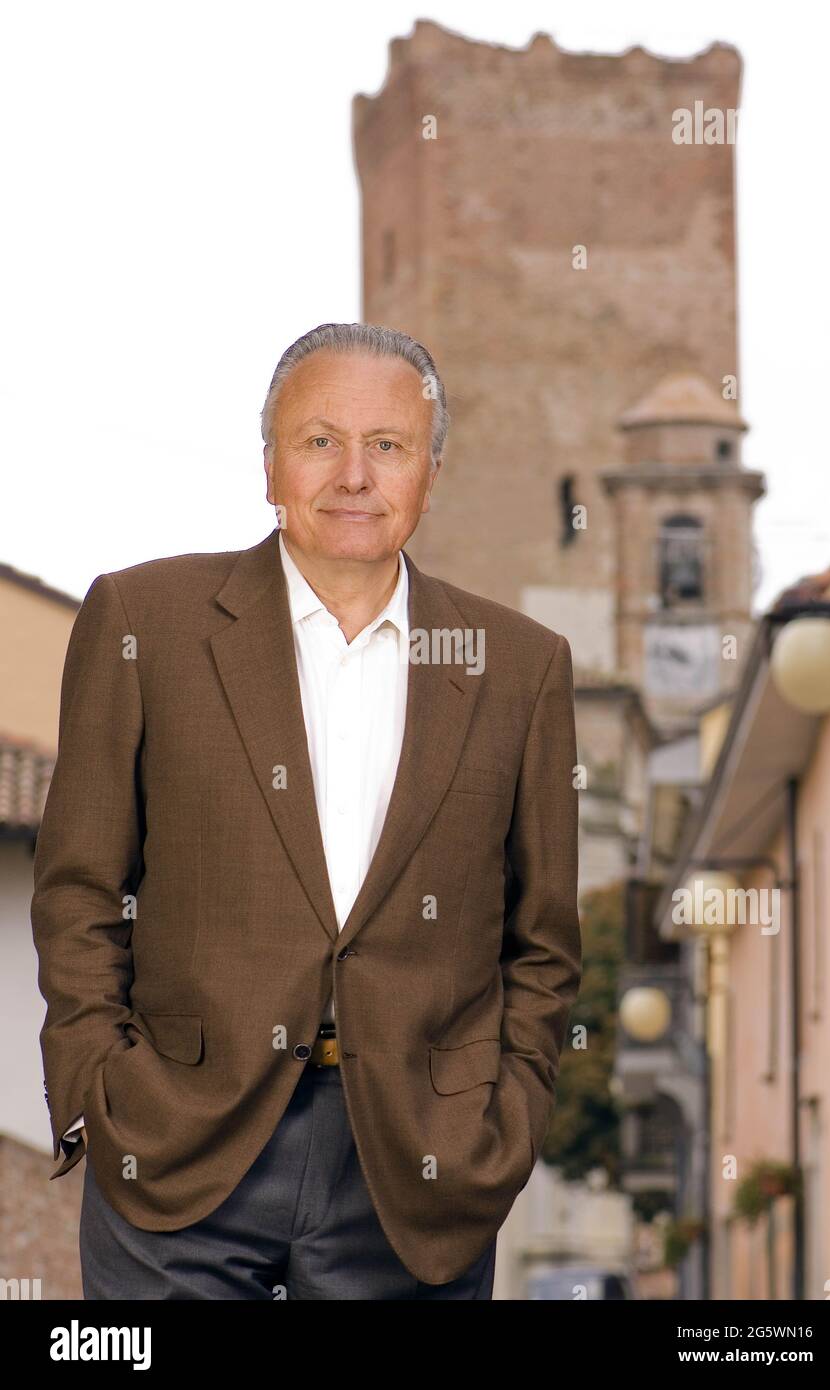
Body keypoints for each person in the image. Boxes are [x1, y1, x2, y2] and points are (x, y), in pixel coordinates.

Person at [32, 321, 581, 1299]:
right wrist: (93, 1086)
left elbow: (541, 939)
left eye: (388, 444)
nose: (353, 474)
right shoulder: (142, 623)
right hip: (174, 1144)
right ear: (270, 466)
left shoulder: (520, 667)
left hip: (418, 1163)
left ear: (430, 470)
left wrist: (510, 1114)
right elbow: (78, 884)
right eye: (319, 440)